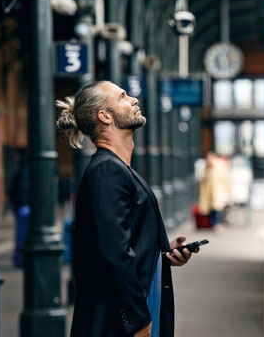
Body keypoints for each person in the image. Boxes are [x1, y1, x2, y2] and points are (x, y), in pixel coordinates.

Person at [57, 81, 198, 337]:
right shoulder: (107, 171)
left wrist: (163, 254)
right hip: (121, 323)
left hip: (134, 310)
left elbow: (122, 242)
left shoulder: (116, 169)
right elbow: (113, 255)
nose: (133, 99)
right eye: (123, 97)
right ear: (105, 116)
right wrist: (136, 320)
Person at [198, 152, 230, 232]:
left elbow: (225, 179)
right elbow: (203, 181)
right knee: (212, 209)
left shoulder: (219, 167)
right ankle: (214, 224)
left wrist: (227, 190)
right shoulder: (207, 168)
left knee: (217, 208)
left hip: (218, 192)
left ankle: (217, 224)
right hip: (209, 193)